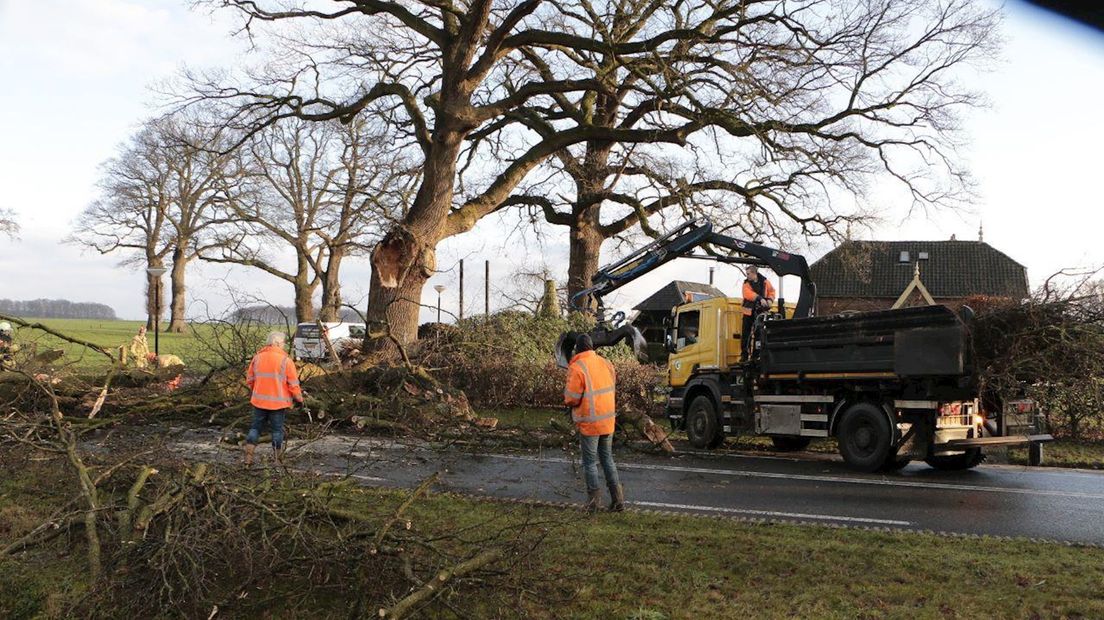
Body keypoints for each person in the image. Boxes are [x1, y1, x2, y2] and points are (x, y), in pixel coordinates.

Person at [563, 334, 624, 513]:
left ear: (578, 349)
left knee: (590, 462)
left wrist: (568, 402)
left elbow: (571, 398)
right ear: (592, 347)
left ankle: (593, 504)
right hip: (608, 419)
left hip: (590, 423)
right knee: (607, 459)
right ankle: (618, 500)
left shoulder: (577, 367)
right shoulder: (606, 363)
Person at [244, 331, 303, 466]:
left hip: (259, 401)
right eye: (283, 343)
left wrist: (256, 391)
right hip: (278, 403)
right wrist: (299, 399)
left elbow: (250, 380)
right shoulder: (285, 360)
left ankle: (248, 459)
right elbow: (293, 384)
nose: (284, 346)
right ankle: (277, 460)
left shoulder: (257, 358)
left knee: (255, 428)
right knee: (277, 431)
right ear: (277, 343)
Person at [741, 265, 776, 359]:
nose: (747, 276)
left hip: (760, 312)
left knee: (758, 334)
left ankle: (755, 355)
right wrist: (759, 298)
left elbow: (772, 292)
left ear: (754, 273)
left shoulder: (765, 282)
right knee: (746, 334)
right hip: (748, 312)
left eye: (748, 274)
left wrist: (770, 300)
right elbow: (747, 294)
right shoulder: (746, 284)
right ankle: (744, 355)